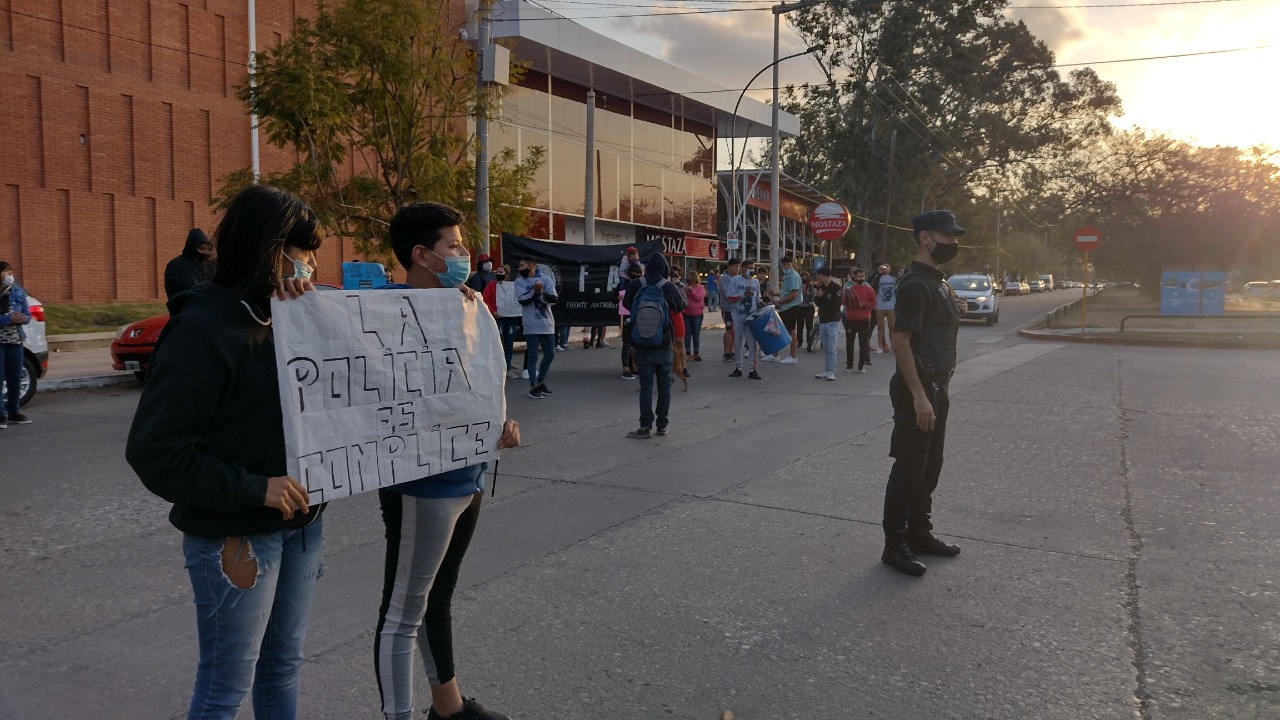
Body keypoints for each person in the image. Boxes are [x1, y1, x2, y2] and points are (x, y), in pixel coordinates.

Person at [125, 185, 324, 720]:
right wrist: (253, 487)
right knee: (225, 686)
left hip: (302, 524)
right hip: (236, 534)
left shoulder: (288, 316)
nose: (311, 264)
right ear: (268, 248)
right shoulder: (202, 329)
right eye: (303, 250)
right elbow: (156, 451)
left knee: (283, 665)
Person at [375, 202, 521, 720]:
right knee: (403, 612)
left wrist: (498, 423)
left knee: (438, 597)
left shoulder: (467, 307)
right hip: (423, 489)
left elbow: (478, 384)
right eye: (454, 245)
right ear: (421, 255)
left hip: (469, 477)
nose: (465, 254)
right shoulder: (374, 312)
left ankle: (449, 707)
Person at [880, 210, 969, 577]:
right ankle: (895, 544)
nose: (952, 243)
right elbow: (901, 341)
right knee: (910, 469)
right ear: (925, 238)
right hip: (921, 388)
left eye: (953, 237)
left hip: (939, 385)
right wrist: (918, 395)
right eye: (946, 237)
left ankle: (919, 533)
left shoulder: (938, 282)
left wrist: (954, 309)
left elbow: (930, 326)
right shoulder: (916, 283)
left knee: (930, 466)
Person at [623, 252, 685, 438]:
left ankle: (644, 427)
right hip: (664, 343)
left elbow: (627, 305)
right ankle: (662, 426)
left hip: (641, 344)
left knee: (646, 386)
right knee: (664, 386)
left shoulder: (635, 284)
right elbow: (680, 307)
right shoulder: (669, 287)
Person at [515, 257, 557, 398]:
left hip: (547, 324)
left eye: (523, 265)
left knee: (550, 355)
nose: (520, 268)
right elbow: (523, 301)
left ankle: (541, 382)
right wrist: (534, 291)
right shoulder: (519, 282)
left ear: (532, 265)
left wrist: (543, 292)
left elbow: (554, 299)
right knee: (532, 357)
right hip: (531, 325)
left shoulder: (546, 280)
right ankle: (533, 387)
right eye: (519, 266)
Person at [0, 261, 32, 428]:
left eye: (11, 271)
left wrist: (23, 318)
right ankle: (1, 415)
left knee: (14, 379)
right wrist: (7, 319)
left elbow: (28, 315)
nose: (9, 274)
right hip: (1, 342)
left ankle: (14, 411)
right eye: (6, 271)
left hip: (15, 341)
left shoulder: (18, 292)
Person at [723, 258, 762, 380]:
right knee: (738, 343)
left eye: (752, 268)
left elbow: (757, 299)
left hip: (751, 317)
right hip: (738, 315)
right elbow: (729, 297)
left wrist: (762, 303)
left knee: (752, 344)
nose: (751, 270)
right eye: (748, 267)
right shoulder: (735, 280)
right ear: (743, 268)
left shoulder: (755, 282)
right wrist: (743, 294)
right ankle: (738, 367)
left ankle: (752, 369)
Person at [483, 264, 523, 379]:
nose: (498, 274)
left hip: (509, 319)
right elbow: (485, 300)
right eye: (497, 272)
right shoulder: (491, 285)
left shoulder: (511, 286)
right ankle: (499, 367)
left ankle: (507, 365)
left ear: (506, 275)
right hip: (498, 318)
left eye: (501, 272)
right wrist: (493, 312)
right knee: (499, 343)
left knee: (509, 343)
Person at [762, 255, 802, 364]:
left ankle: (793, 356)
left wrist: (779, 302)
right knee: (779, 329)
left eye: (788, 264)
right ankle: (775, 355)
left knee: (791, 330)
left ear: (792, 264)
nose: (786, 266)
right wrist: (775, 294)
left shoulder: (793, 276)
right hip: (787, 307)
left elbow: (793, 294)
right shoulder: (787, 276)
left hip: (791, 307)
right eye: (784, 264)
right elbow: (787, 292)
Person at [164, 228, 217, 300]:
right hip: (185, 309)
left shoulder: (209, 265)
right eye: (202, 248)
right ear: (193, 247)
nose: (206, 252)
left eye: (209, 249)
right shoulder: (178, 265)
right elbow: (194, 290)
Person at [842, 267, 876, 373]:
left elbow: (873, 303)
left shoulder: (869, 289)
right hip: (851, 318)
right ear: (854, 277)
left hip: (864, 319)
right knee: (849, 342)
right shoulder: (849, 289)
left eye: (862, 276)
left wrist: (863, 305)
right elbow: (843, 301)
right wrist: (851, 302)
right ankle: (850, 364)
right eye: (859, 276)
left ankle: (861, 366)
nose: (861, 278)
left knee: (863, 342)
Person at [811, 267, 842, 381]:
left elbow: (835, 304)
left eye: (819, 275)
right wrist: (818, 297)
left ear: (826, 275)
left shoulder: (836, 288)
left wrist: (822, 297)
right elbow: (818, 303)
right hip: (823, 319)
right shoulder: (820, 287)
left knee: (832, 347)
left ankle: (831, 371)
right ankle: (827, 369)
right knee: (826, 348)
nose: (818, 277)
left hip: (833, 320)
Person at [618, 261, 642, 379]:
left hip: (638, 316)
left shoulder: (641, 284)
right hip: (626, 316)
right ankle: (625, 368)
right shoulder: (623, 284)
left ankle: (635, 366)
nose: (636, 274)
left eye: (638, 272)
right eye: (634, 272)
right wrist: (618, 298)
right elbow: (615, 298)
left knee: (637, 343)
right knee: (627, 342)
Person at [682, 270, 706, 361]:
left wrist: (691, 291)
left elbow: (699, 298)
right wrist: (684, 291)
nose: (688, 279)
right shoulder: (685, 287)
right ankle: (687, 353)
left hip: (697, 314)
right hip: (686, 313)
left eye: (689, 277)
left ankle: (696, 353)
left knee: (695, 333)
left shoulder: (700, 287)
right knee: (686, 334)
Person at [874, 263, 897, 353]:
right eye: (883, 267)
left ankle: (892, 346)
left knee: (891, 326)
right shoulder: (878, 278)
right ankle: (880, 346)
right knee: (880, 326)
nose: (885, 268)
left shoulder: (893, 279)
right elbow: (874, 288)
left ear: (890, 269)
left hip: (890, 305)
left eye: (887, 266)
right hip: (880, 305)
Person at [719, 260, 739, 362]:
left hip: (736, 308)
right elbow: (727, 293)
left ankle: (731, 352)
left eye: (738, 267)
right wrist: (738, 295)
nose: (737, 269)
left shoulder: (736, 278)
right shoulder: (724, 278)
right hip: (727, 308)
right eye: (735, 266)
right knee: (729, 330)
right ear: (729, 267)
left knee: (734, 331)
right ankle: (726, 352)